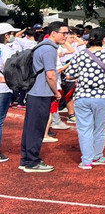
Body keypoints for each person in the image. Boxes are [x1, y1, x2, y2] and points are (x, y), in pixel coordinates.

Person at [66, 27, 105, 169]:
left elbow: (69, 75)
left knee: (85, 129)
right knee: (99, 128)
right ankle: (97, 156)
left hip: (82, 95)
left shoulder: (81, 54)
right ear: (103, 39)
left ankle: (86, 160)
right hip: (103, 96)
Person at [20, 21, 66, 172]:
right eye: (63, 33)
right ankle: (32, 161)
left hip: (35, 92)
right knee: (36, 128)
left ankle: (27, 159)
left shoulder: (42, 46)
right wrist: (56, 92)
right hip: (41, 93)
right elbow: (51, 75)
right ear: (54, 33)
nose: (66, 36)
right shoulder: (49, 49)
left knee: (30, 127)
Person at [0, 23, 21, 163]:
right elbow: (9, 69)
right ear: (6, 36)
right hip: (3, 88)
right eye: (12, 33)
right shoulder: (6, 49)